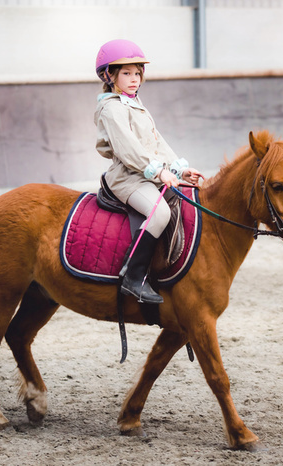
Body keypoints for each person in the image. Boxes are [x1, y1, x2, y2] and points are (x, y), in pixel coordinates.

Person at [94, 39, 202, 304]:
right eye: (126, 74)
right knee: (159, 212)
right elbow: (129, 150)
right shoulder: (111, 108)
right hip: (127, 178)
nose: (134, 79)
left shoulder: (135, 104)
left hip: (146, 174)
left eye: (137, 73)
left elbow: (157, 142)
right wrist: (158, 173)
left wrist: (180, 168)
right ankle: (133, 277)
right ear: (110, 75)